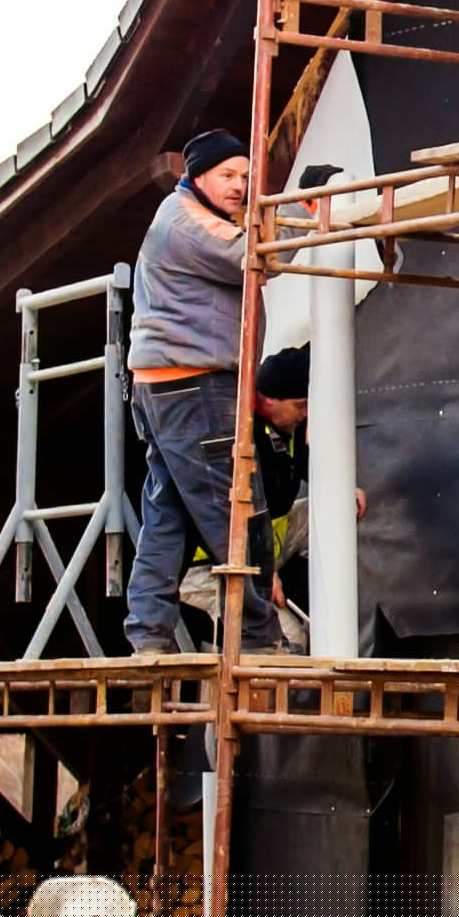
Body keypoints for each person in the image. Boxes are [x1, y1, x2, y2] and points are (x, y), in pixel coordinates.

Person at [125, 128, 290, 653]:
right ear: (197, 176)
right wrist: (313, 207)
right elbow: (257, 256)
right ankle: (260, 641)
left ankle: (149, 633)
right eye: (228, 176)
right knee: (237, 510)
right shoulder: (188, 221)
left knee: (169, 513)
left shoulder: (185, 217)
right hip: (194, 388)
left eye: (246, 176)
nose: (241, 186)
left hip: (169, 386)